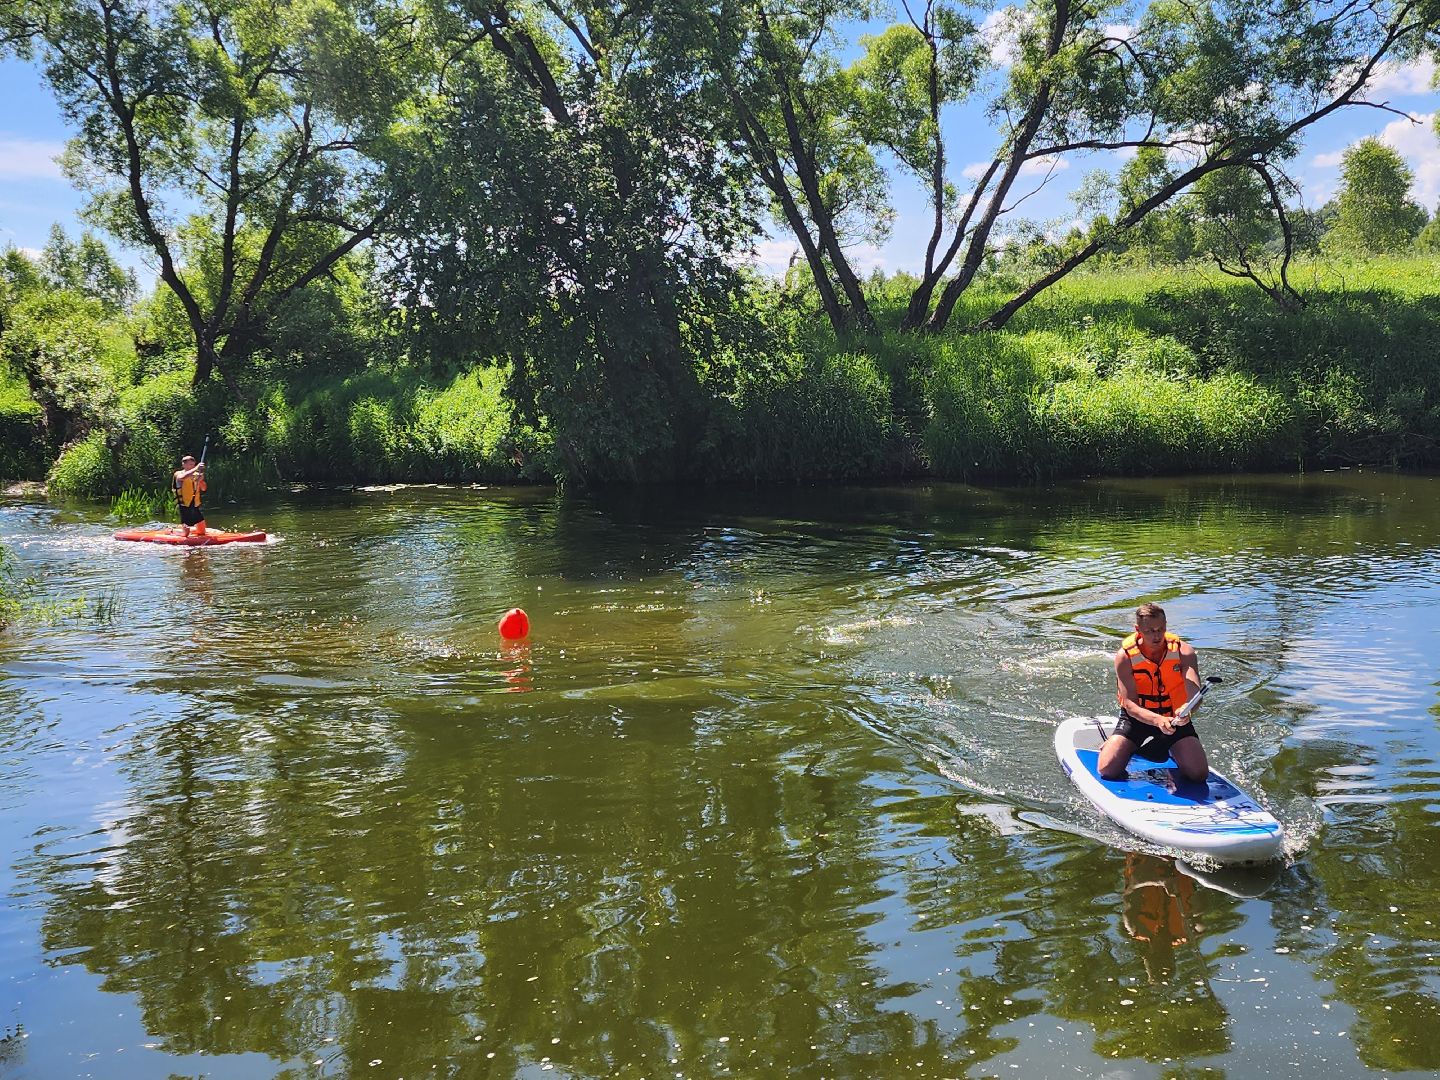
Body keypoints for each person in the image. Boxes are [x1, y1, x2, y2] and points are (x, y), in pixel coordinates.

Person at [1098, 602, 1209, 783]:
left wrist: (1188, 710)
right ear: (1138, 629)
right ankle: (1122, 744)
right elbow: (1129, 705)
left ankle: (1165, 744)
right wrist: (1157, 720)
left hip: (1174, 718)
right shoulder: (1124, 657)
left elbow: (1194, 692)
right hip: (1138, 718)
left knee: (1198, 774)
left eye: (1160, 629)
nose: (1157, 636)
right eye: (1150, 631)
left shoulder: (1184, 652)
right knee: (1107, 770)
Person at [172, 453, 207, 538]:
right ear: (183, 464)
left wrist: (201, 480)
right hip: (184, 504)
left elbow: (204, 488)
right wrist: (196, 468)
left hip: (194, 504)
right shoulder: (178, 474)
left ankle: (191, 529)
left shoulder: (196, 475)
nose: (192, 466)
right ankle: (173, 532)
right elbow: (182, 477)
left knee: (202, 532)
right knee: (186, 534)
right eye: (190, 464)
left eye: (193, 464)